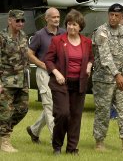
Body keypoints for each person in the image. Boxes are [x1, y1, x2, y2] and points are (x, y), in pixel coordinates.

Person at [92, 3, 123, 153]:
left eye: (117, 16)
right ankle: (99, 142)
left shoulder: (122, 30)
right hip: (104, 79)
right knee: (103, 111)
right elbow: (105, 56)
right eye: (111, 15)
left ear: (122, 17)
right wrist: (117, 75)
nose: (113, 18)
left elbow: (122, 54)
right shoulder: (101, 31)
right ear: (108, 15)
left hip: (122, 78)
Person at [44, 9, 93, 155]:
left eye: (75, 25)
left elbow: (91, 58)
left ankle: (72, 148)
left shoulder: (87, 42)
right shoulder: (58, 40)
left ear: (80, 27)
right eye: (69, 24)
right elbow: (48, 60)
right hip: (60, 83)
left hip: (79, 84)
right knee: (63, 114)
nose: (71, 27)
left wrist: (89, 66)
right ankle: (57, 146)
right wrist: (56, 73)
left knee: (76, 116)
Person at [26, 7, 65, 144]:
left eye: (58, 17)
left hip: (59, 74)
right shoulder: (39, 35)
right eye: (53, 17)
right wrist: (42, 65)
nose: (56, 19)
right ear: (46, 19)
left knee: (55, 106)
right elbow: (29, 54)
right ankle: (56, 140)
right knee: (49, 106)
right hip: (44, 73)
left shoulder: (63, 33)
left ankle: (34, 130)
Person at [0, 10, 29, 152]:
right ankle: (4, 140)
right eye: (17, 20)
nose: (21, 23)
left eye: (22, 20)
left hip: (21, 80)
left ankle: (3, 130)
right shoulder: (2, 36)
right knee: (6, 110)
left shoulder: (23, 36)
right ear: (9, 21)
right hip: (6, 80)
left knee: (23, 109)